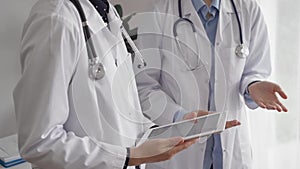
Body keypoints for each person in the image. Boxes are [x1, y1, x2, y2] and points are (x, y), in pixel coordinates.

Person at [12, 0, 202, 168]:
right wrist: (128, 157)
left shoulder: (106, 13)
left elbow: (123, 112)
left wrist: (170, 127)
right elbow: (39, 142)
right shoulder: (56, 19)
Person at [134, 0, 288, 169]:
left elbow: (254, 70)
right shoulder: (159, 13)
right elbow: (144, 88)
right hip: (179, 153)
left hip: (231, 151)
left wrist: (253, 85)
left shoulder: (247, 9)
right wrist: (180, 118)